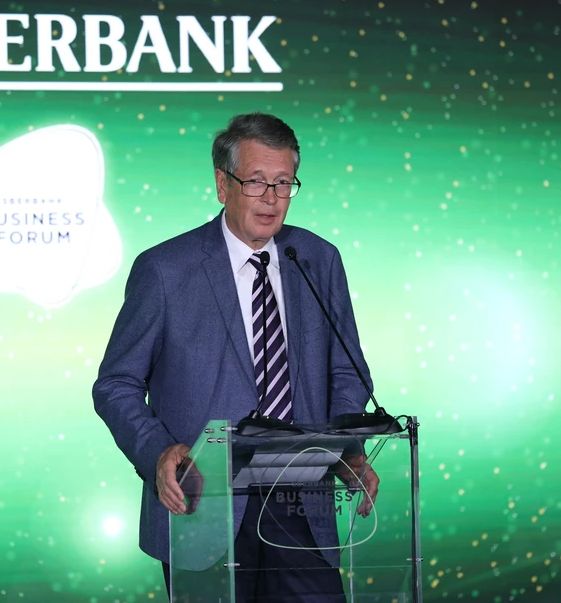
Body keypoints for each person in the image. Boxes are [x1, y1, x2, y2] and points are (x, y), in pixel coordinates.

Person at [93, 113, 379, 602]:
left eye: (284, 183)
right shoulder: (164, 269)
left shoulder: (318, 259)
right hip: (204, 499)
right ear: (223, 185)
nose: (271, 198)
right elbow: (115, 384)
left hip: (303, 498)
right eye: (256, 181)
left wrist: (346, 447)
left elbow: (347, 371)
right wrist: (158, 452)